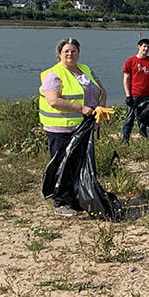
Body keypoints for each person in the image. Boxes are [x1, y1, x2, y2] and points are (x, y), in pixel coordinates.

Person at [39, 38, 107, 216]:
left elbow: (101, 91)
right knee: (62, 166)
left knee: (80, 164)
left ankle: (77, 199)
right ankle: (61, 202)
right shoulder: (53, 74)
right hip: (61, 129)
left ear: (79, 52)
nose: (70, 54)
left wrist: (99, 109)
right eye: (66, 51)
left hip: (83, 127)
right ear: (60, 54)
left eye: (73, 51)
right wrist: (81, 108)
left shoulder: (86, 70)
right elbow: (53, 101)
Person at [121, 38, 149, 143]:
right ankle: (125, 140)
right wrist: (128, 95)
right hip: (134, 95)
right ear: (139, 46)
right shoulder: (130, 61)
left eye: (148, 47)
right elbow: (126, 79)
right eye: (144, 46)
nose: (146, 49)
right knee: (129, 119)